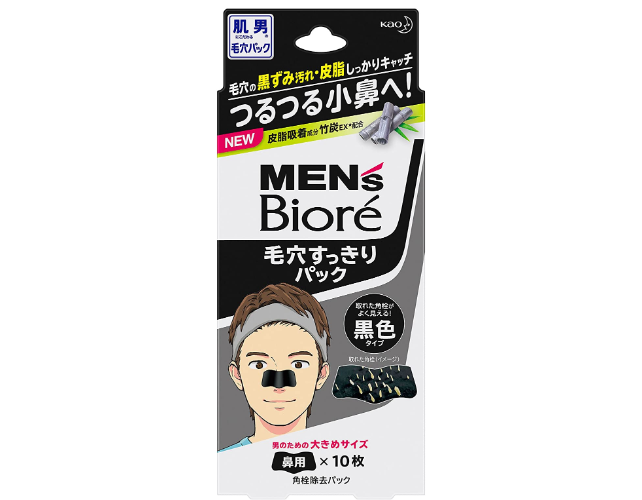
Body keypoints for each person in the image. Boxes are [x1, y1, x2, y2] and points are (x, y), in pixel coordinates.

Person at [218, 283, 331, 452]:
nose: (279, 384)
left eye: (298, 364)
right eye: (259, 365)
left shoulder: (337, 458)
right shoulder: (223, 462)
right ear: (237, 375)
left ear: (321, 374)